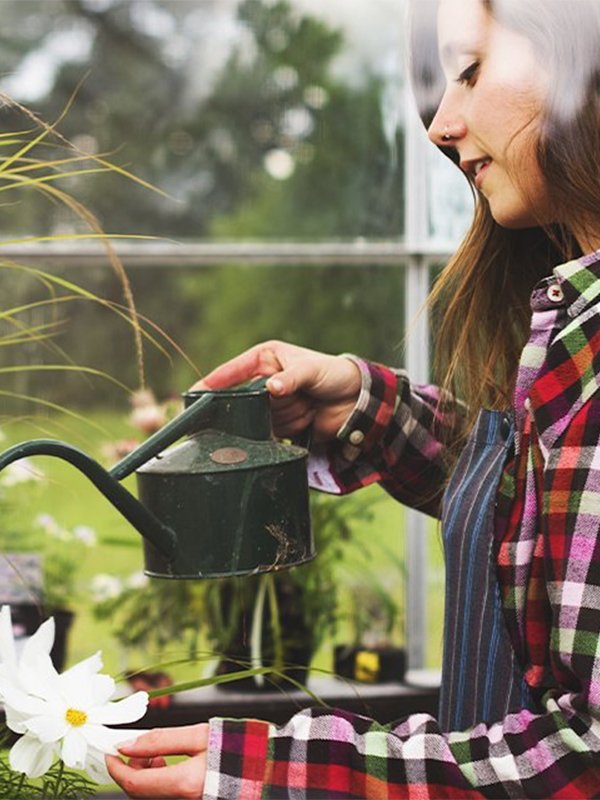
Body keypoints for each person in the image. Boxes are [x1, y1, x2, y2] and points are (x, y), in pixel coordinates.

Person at [107, 0, 600, 796]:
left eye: (470, 71)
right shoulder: (569, 325)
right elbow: (553, 519)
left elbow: (588, 760)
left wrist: (283, 773)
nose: (442, 124)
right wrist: (361, 407)